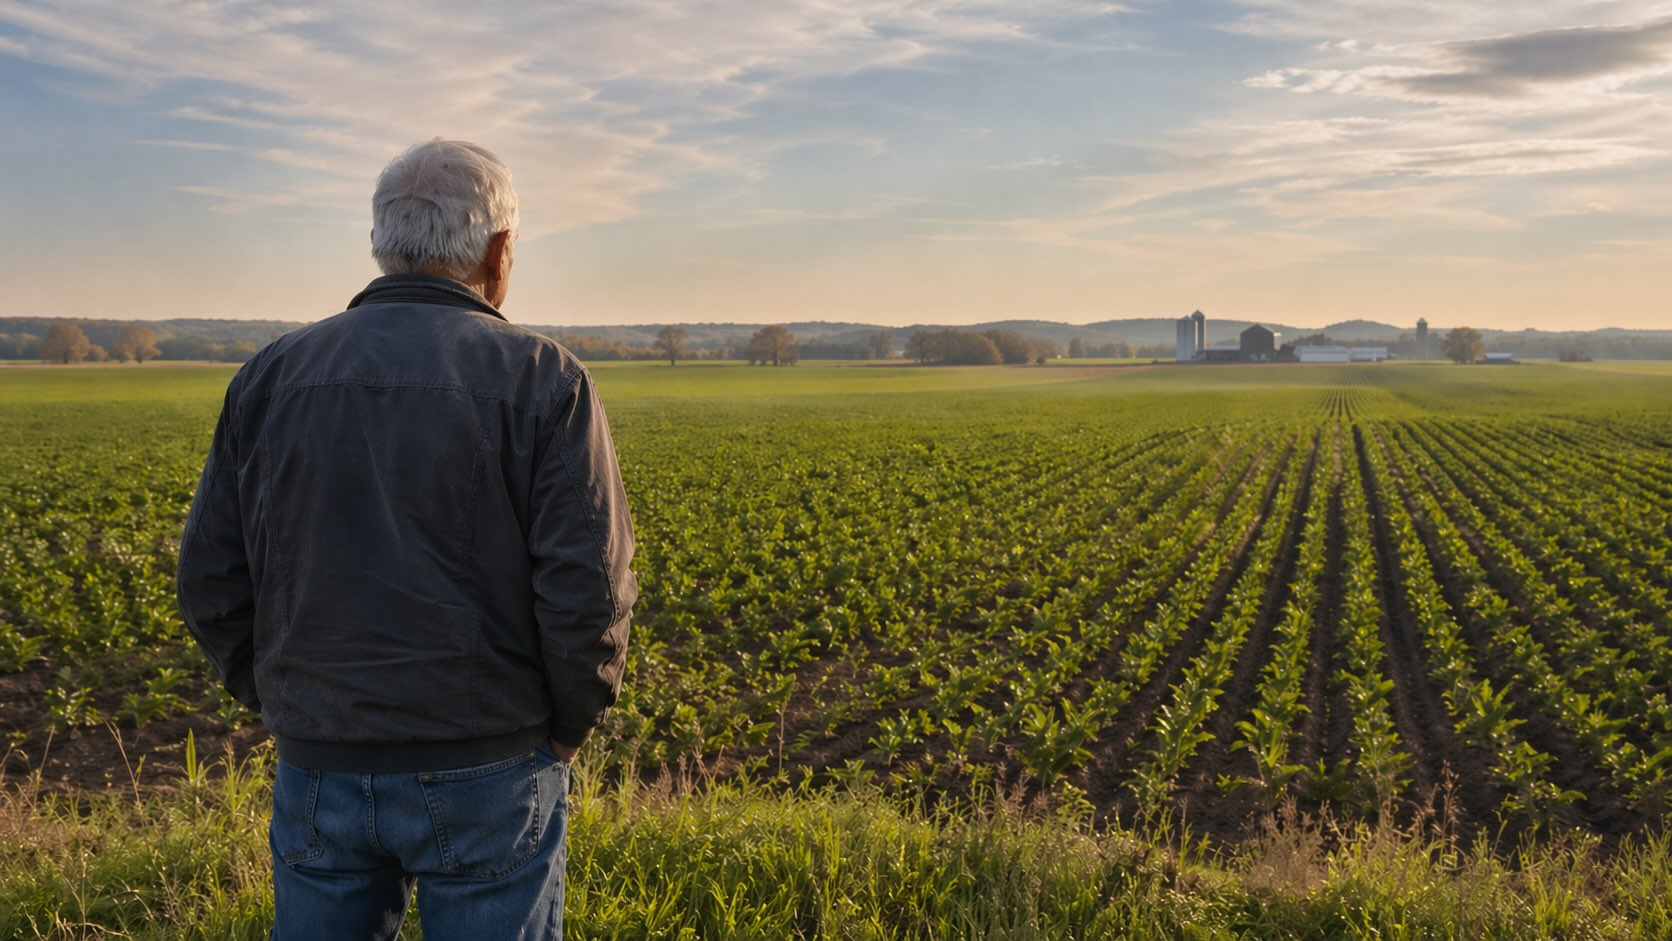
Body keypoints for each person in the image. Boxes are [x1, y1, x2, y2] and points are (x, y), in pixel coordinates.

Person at [177, 138, 636, 940]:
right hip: (492, 761)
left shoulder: (270, 376)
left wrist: (288, 701)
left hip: (320, 758)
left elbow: (211, 580)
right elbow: (588, 593)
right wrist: (566, 728)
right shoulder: (545, 379)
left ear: (382, 247)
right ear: (498, 251)